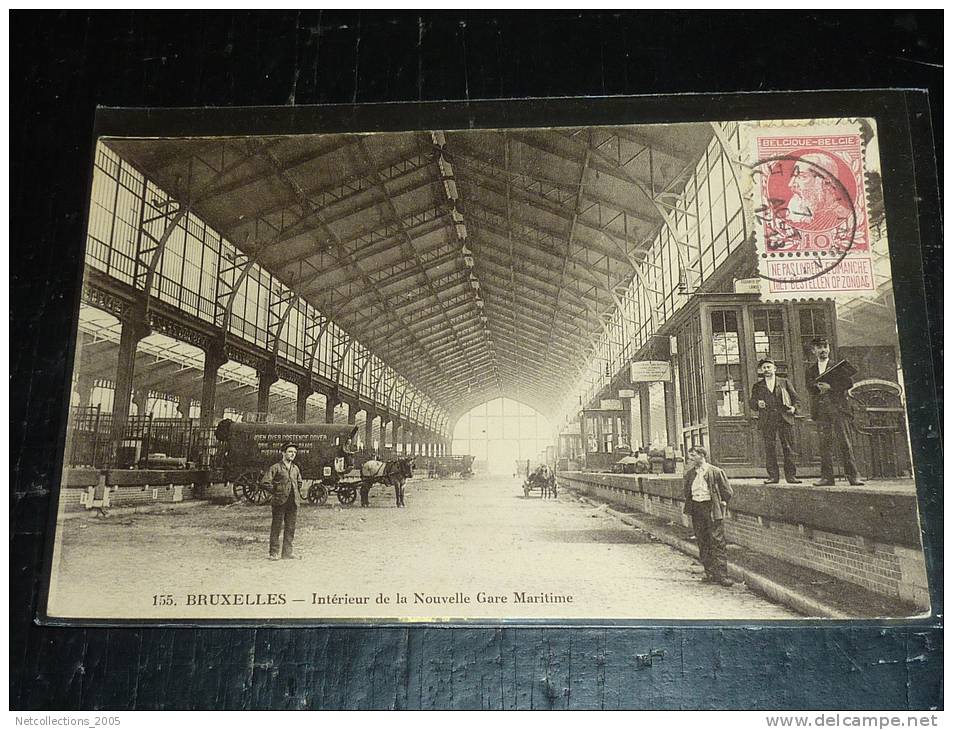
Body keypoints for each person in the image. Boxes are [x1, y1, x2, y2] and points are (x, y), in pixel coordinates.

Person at [806, 337, 863, 487]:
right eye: (819, 347)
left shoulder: (837, 366)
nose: (823, 350)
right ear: (813, 351)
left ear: (829, 348)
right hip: (822, 410)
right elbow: (809, 388)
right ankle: (827, 478)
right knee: (824, 444)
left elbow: (848, 383)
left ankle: (854, 477)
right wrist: (817, 388)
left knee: (844, 442)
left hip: (838, 408)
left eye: (825, 346)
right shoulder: (811, 370)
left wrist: (830, 388)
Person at [682, 446, 734, 587]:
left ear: (702, 455)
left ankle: (722, 575)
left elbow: (727, 491)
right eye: (690, 456)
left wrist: (721, 504)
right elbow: (686, 492)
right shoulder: (690, 474)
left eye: (693, 455)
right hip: (697, 509)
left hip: (711, 508)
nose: (690, 458)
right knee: (702, 541)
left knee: (717, 542)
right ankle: (710, 573)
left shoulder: (715, 472)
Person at [749, 357, 802, 485]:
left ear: (774, 369)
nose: (766, 370)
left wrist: (794, 408)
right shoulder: (758, 386)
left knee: (788, 448)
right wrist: (757, 403)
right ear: (761, 370)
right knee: (770, 448)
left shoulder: (784, 382)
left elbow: (797, 400)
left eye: (769, 367)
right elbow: (752, 403)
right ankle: (773, 476)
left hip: (784, 419)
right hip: (767, 420)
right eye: (764, 368)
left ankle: (791, 476)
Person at [787, 153, 852, 230]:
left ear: (826, 182)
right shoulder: (796, 216)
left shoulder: (847, 217)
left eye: (802, 177)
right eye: (794, 177)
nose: (790, 184)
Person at [260, 442, 302, 560]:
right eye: (290, 452)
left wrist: (296, 492)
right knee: (276, 527)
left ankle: (287, 553)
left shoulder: (295, 468)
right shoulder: (275, 467)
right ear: (283, 453)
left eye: (294, 452)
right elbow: (265, 482)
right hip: (279, 502)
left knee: (290, 528)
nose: (292, 454)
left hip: (293, 502)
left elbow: (299, 482)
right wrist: (276, 490)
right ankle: (274, 553)